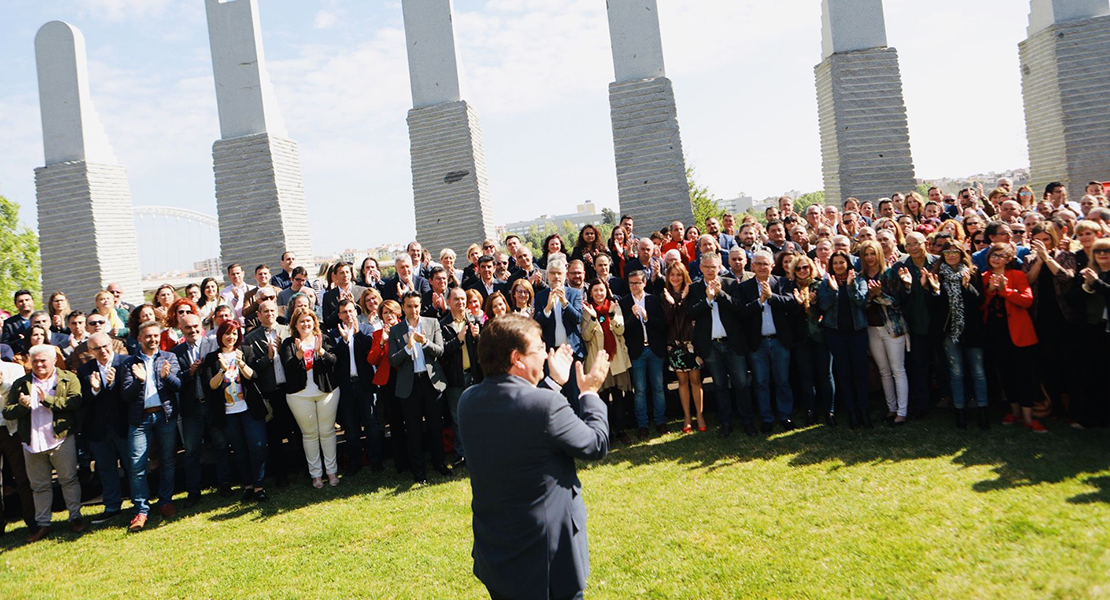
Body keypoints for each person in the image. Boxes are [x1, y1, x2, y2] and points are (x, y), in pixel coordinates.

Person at [457, 314, 610, 600]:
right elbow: (595, 444)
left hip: (499, 554)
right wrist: (589, 393)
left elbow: (522, 412)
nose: (545, 354)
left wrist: (552, 383)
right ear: (517, 358)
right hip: (547, 559)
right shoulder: (544, 406)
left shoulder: (468, 401)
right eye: (539, 349)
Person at [2, 344, 85, 543]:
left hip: (61, 438)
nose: (39, 365)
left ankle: (75, 517)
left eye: (43, 361)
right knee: (39, 486)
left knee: (68, 480)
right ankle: (43, 524)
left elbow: (75, 402)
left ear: (53, 361)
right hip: (32, 442)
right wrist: (22, 407)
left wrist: (47, 400)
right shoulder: (21, 383)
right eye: (35, 361)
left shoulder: (67, 378)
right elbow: (7, 412)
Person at [119, 321, 181, 532]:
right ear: (139, 339)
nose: (153, 339)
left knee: (168, 461)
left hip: (164, 417)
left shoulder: (169, 357)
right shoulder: (129, 363)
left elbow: (178, 385)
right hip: (139, 419)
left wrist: (167, 376)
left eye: (156, 336)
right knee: (137, 465)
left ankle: (165, 501)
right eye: (148, 336)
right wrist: (140, 381)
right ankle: (141, 510)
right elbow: (125, 394)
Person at [200, 320, 269, 502]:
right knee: (239, 450)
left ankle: (259, 486)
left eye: (235, 333)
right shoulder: (211, 358)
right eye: (227, 333)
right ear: (220, 335)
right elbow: (211, 386)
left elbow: (253, 376)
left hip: (249, 409)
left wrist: (241, 364)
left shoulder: (245, 351)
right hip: (228, 413)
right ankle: (248, 486)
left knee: (258, 446)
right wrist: (222, 371)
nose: (231, 337)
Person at [688, 252, 754, 437]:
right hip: (711, 346)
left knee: (741, 383)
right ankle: (726, 423)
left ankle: (747, 420)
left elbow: (738, 307)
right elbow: (691, 313)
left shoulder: (730, 284)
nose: (710, 270)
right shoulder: (694, 289)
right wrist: (708, 300)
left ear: (719, 267)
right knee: (720, 385)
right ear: (701, 268)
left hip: (732, 343)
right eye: (706, 267)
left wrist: (720, 294)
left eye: (713, 267)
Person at [170, 313, 232, 506]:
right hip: (191, 408)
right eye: (188, 328)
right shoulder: (175, 352)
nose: (192, 330)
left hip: (213, 404)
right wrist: (189, 372)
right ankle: (194, 491)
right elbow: (175, 380)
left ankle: (225, 484)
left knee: (221, 445)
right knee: (191, 451)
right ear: (181, 330)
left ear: (201, 327)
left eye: (195, 326)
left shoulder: (212, 345)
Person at [982, 244, 1044, 431]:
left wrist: (1005, 290)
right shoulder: (983, 277)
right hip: (995, 334)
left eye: (1002, 256)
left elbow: (1027, 300)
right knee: (1006, 374)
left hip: (1019, 334)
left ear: (1009, 259)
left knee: (1024, 375)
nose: (997, 259)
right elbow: (978, 306)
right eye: (994, 255)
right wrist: (990, 291)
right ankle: (1014, 412)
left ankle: (1028, 417)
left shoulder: (1017, 275)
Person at [389, 292, 449, 484]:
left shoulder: (432, 323)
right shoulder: (396, 330)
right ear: (403, 307)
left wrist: (424, 342)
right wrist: (408, 348)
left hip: (431, 382)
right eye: (409, 306)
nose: (413, 310)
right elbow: (392, 360)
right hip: (410, 384)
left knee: (434, 426)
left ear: (420, 305)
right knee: (413, 430)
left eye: (416, 306)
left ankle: (439, 463)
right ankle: (418, 471)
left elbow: (440, 350)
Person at [930, 243, 989, 429]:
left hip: (972, 329)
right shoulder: (938, 275)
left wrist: (967, 286)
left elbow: (979, 299)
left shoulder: (972, 272)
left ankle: (982, 411)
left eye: (955, 252)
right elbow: (935, 308)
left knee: (978, 371)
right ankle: (959, 411)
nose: (951, 255)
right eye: (947, 252)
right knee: (956, 372)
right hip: (949, 331)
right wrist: (935, 290)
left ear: (961, 254)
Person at [76, 332, 133, 525]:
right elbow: (83, 401)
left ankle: (140, 504)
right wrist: (95, 389)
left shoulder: (126, 362)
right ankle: (112, 507)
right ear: (90, 351)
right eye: (97, 348)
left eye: (105, 346)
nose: (103, 351)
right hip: (98, 430)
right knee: (106, 470)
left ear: (112, 344)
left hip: (124, 425)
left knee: (132, 466)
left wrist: (112, 384)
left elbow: (131, 393)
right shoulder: (84, 370)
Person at [281, 307, 340, 488]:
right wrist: (299, 353)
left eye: (309, 320)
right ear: (295, 325)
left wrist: (320, 351)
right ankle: (315, 474)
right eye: (301, 321)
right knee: (310, 435)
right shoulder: (288, 343)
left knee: (327, 432)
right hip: (300, 395)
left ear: (314, 322)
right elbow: (288, 368)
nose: (306, 324)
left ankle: (331, 472)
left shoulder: (324, 339)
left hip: (326, 392)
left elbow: (333, 362)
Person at [739, 250, 798, 432]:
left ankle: (785, 416)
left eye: (766, 264)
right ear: (752, 266)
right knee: (761, 382)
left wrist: (771, 297)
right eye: (759, 264)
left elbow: (790, 302)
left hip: (779, 341)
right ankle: (766, 418)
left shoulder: (782, 283)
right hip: (758, 343)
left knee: (782, 381)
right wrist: (760, 301)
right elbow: (741, 312)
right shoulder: (744, 287)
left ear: (772, 266)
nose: (762, 267)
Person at [328, 298, 381, 476]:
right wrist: (343, 341)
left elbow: (370, 350)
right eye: (344, 312)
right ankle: (355, 463)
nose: (348, 315)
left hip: (365, 383)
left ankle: (375, 461)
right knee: (350, 427)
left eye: (351, 311)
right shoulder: (334, 334)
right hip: (346, 386)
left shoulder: (367, 329)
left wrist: (356, 335)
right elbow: (333, 359)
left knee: (371, 423)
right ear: (339, 315)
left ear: (356, 312)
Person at [858, 240, 908, 427]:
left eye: (872, 253)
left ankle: (902, 412)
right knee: (884, 371)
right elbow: (860, 303)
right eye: (866, 254)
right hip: (871, 328)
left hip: (892, 327)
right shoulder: (860, 276)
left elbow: (897, 302)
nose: (870, 258)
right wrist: (870, 297)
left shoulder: (890, 273)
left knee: (898, 370)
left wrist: (878, 295)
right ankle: (891, 409)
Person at [582, 278, 632, 443]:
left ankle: (621, 430)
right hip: (598, 359)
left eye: (601, 290)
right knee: (602, 398)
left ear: (606, 290)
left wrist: (611, 314)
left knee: (618, 396)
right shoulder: (586, 309)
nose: (598, 293)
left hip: (615, 358)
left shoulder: (614, 305)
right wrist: (594, 318)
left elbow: (621, 330)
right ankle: (607, 432)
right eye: (595, 290)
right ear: (591, 292)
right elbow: (586, 336)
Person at [787, 255, 835, 426]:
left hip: (821, 336)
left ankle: (829, 411)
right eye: (798, 268)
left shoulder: (820, 285)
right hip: (801, 338)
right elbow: (787, 315)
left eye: (805, 267)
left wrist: (814, 303)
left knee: (825, 375)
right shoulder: (789, 287)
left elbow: (826, 307)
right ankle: (810, 412)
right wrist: (799, 305)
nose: (802, 271)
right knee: (806, 376)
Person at [620, 269, 668, 436]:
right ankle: (643, 425)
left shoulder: (653, 300)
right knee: (639, 390)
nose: (634, 286)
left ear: (644, 283)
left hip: (655, 349)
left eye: (637, 283)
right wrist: (634, 317)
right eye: (631, 283)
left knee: (658, 387)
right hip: (637, 351)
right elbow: (623, 330)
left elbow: (663, 324)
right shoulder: (624, 303)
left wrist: (647, 318)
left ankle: (661, 422)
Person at [440, 287, 482, 469]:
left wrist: (477, 336)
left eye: (463, 299)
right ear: (448, 302)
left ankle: (478, 451)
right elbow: (442, 351)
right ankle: (461, 454)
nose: (461, 302)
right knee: (457, 418)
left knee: (476, 416)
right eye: (456, 299)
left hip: (473, 375)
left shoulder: (474, 320)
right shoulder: (442, 325)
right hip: (455, 378)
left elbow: (482, 349)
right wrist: (458, 339)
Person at [660, 263, 705, 433]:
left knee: (695, 380)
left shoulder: (692, 292)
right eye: (672, 275)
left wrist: (684, 299)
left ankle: (700, 415)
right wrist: (673, 303)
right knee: (682, 382)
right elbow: (668, 320)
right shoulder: (664, 295)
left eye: (679, 275)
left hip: (691, 342)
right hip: (675, 344)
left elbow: (691, 315)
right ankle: (687, 417)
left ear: (684, 275)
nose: (675, 278)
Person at [366, 300, 405, 473]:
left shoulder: (405, 329)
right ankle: (400, 462)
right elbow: (372, 359)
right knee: (395, 421)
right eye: (385, 313)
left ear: (398, 313)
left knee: (410, 419)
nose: (388, 316)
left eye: (391, 312)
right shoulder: (377, 334)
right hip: (388, 382)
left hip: (405, 378)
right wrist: (382, 342)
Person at [322, 261, 366, 330]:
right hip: (339, 334)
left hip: (361, 331)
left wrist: (354, 305)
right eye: (342, 273)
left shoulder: (363, 291)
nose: (345, 275)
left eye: (347, 272)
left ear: (351, 274)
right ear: (335, 276)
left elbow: (366, 313)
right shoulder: (328, 296)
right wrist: (339, 307)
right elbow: (327, 322)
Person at [2, 290, 35, 354]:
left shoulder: (43, 318)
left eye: (27, 300)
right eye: (21, 301)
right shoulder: (9, 323)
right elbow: (5, 345)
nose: (24, 303)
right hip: (21, 357)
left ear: (33, 301)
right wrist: (20, 341)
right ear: (16, 305)